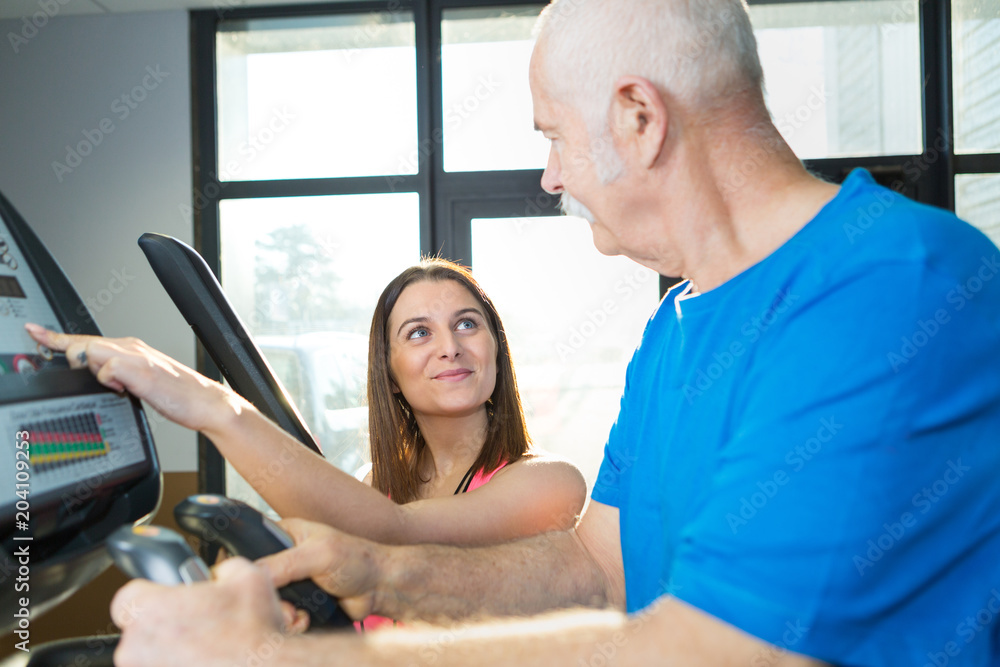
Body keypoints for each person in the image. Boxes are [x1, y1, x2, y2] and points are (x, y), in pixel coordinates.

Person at [43, 0, 1000, 664]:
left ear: (637, 118)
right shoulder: (676, 325)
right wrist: (386, 570)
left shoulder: (889, 286)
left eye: (552, 135)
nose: (549, 177)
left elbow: (718, 652)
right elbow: (592, 567)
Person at [25, 258, 586, 572]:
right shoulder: (375, 487)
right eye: (419, 333)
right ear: (389, 372)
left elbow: (396, 534)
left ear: (495, 348)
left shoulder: (548, 485)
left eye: (468, 324)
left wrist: (212, 406)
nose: (450, 347)